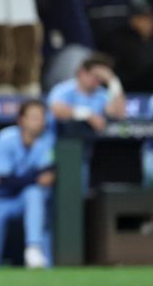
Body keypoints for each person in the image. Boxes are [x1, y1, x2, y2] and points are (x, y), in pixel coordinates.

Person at [0, 99, 55, 269]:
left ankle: (33, 247)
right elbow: (3, 182)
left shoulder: (46, 142)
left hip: (22, 200)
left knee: (34, 193)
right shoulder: (6, 138)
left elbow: (48, 177)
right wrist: (35, 178)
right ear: (21, 120)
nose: (38, 121)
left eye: (41, 117)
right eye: (33, 117)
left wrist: (34, 181)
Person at [46, 54, 128, 193]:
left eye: (101, 79)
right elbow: (56, 109)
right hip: (53, 151)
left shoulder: (101, 94)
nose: (97, 81)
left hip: (82, 154)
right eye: (95, 76)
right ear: (82, 72)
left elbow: (120, 113)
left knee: (77, 196)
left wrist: (113, 81)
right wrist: (87, 114)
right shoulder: (65, 89)